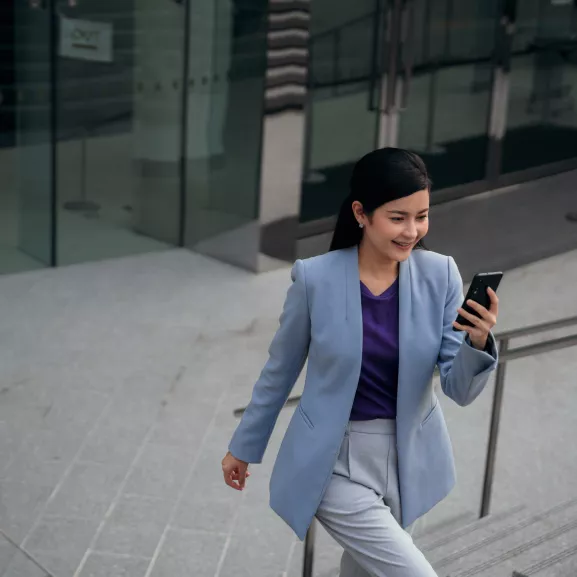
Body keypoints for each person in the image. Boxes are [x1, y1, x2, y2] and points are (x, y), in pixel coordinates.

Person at [221, 148, 499, 576]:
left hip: (410, 460)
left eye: (422, 216)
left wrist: (477, 342)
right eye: (398, 217)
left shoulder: (440, 274)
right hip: (334, 463)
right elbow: (280, 371)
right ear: (361, 213)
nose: (412, 231)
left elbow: (458, 388)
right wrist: (244, 447)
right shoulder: (315, 278)